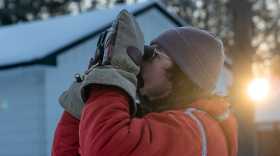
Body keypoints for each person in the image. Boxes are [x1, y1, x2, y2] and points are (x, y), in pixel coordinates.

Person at [51, 9, 238, 156]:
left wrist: (112, 78)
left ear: (184, 74)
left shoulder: (195, 131)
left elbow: (105, 150)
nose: (141, 60)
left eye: (154, 53)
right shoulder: (160, 122)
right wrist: (90, 90)